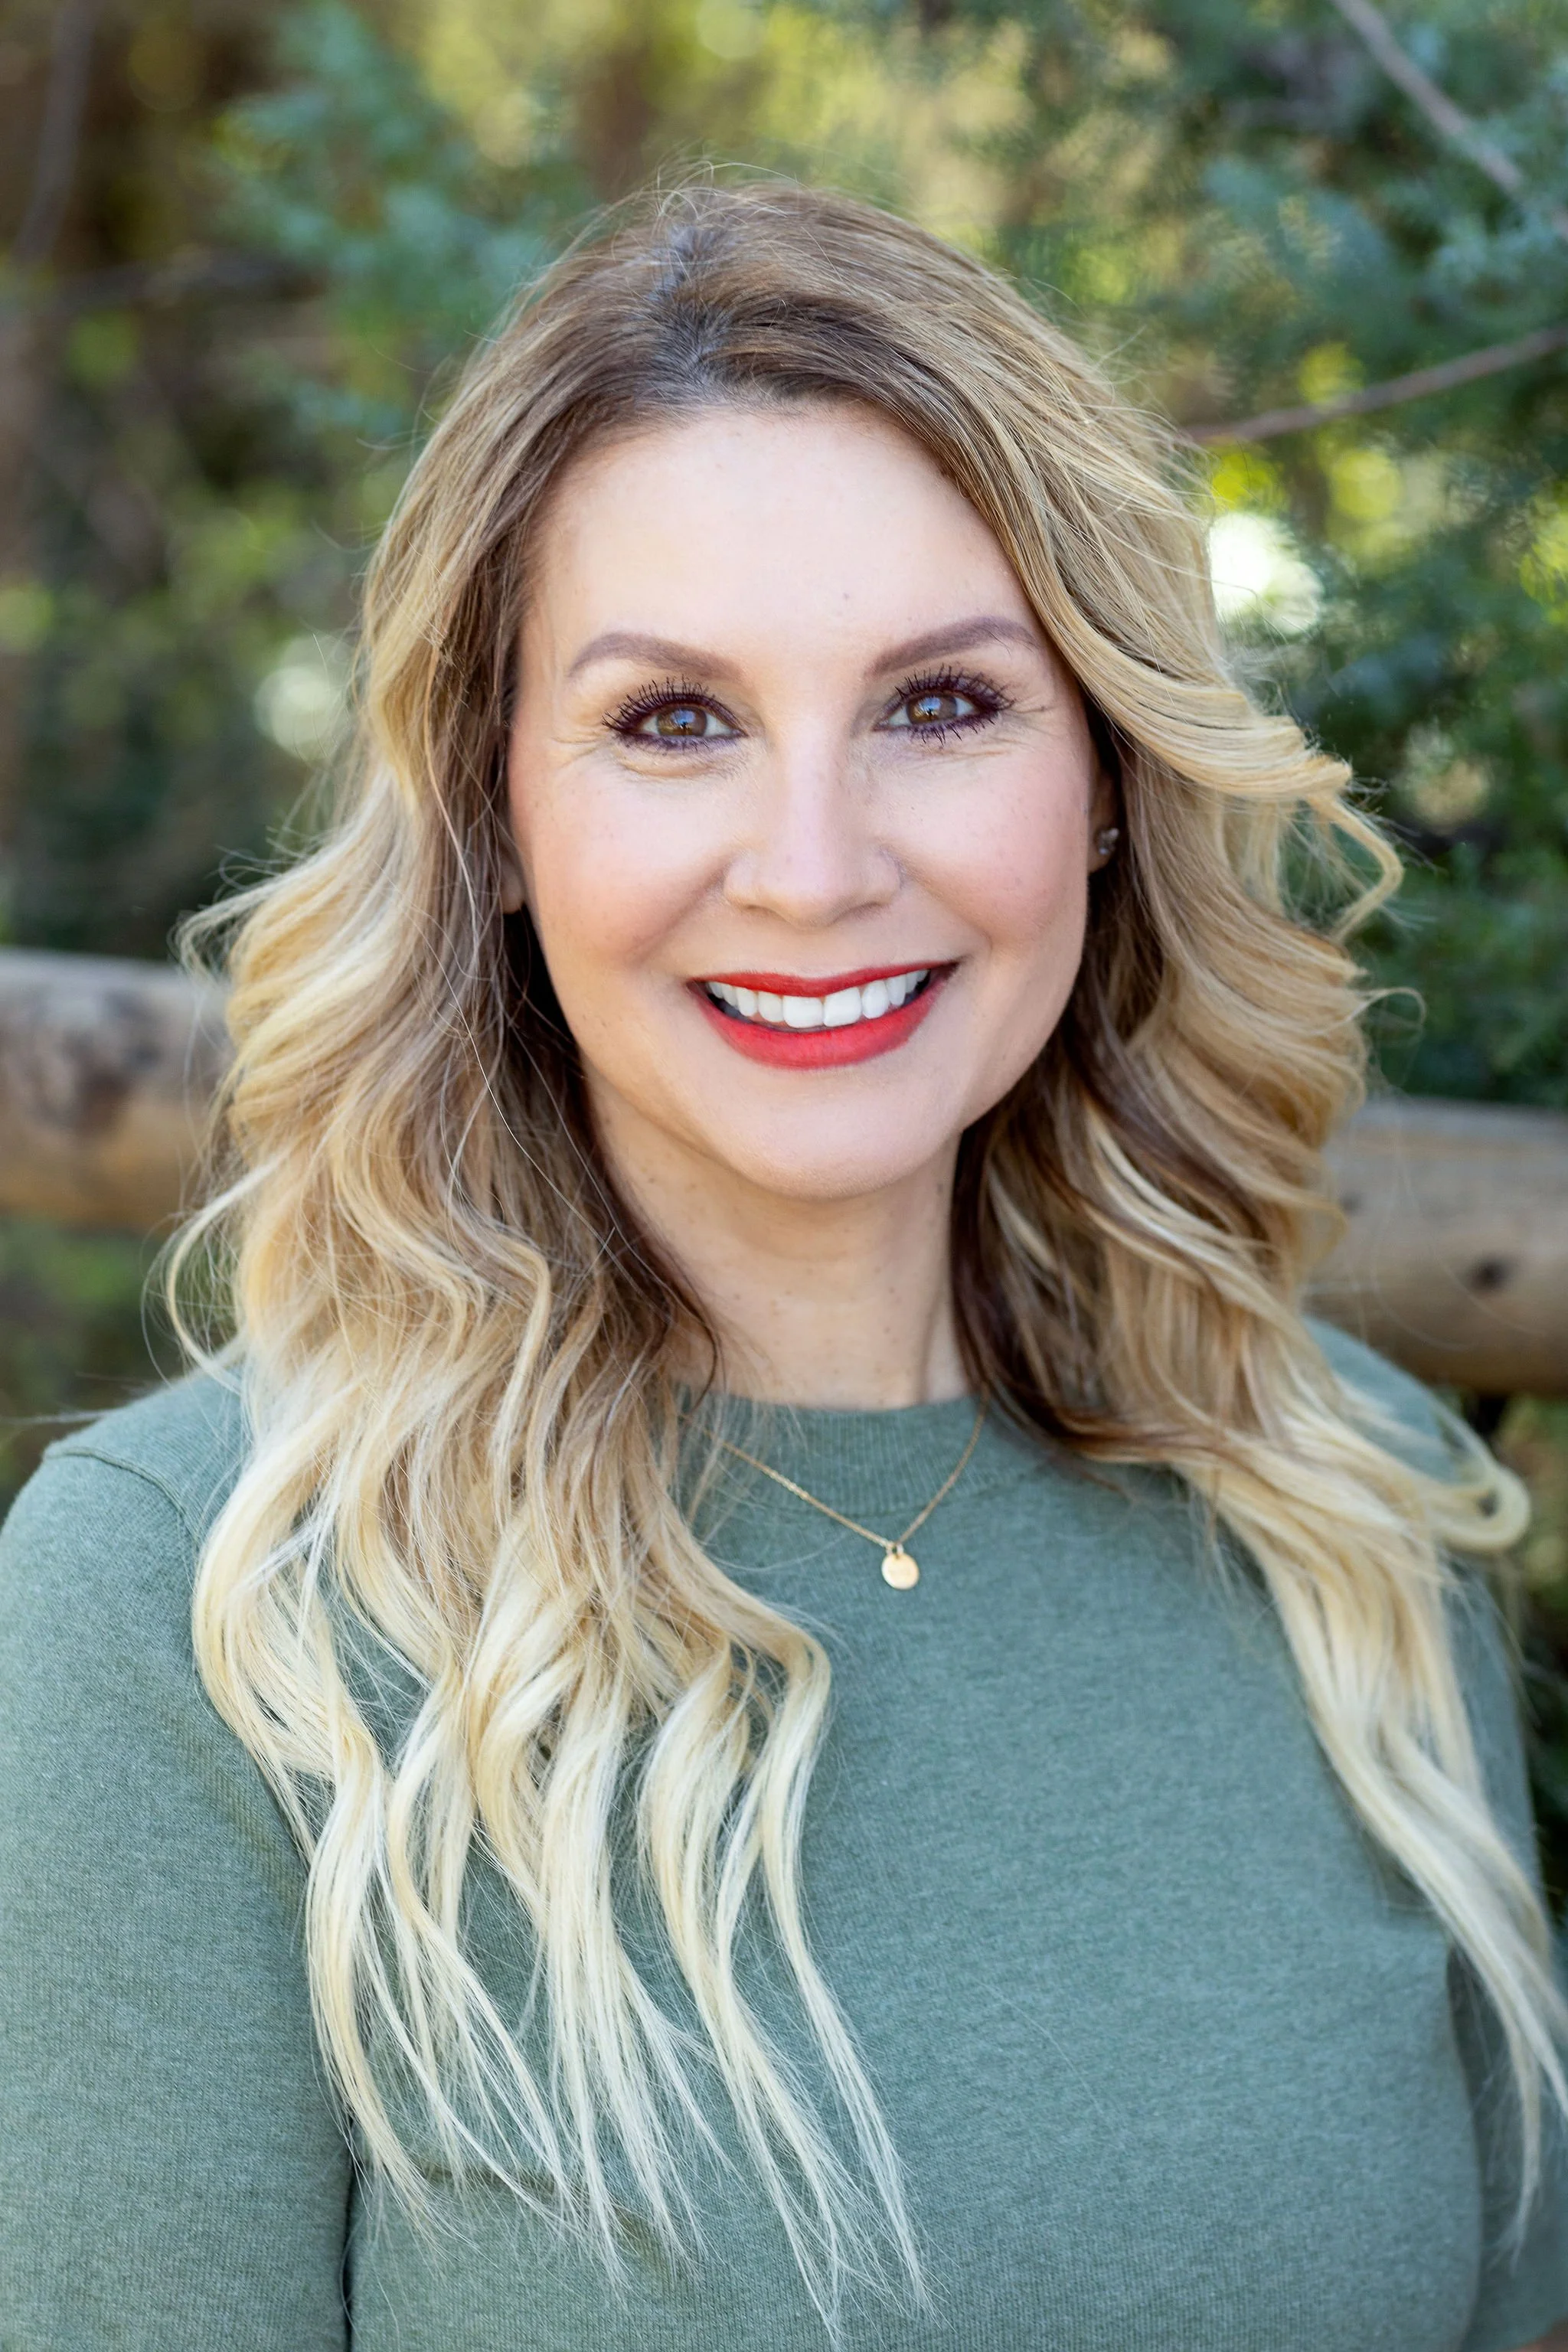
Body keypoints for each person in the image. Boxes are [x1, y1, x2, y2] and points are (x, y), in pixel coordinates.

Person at [0, 178, 1564, 2352]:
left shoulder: (1351, 1516)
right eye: (673, 720)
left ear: (1108, 778)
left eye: (941, 705)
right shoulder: (187, 1619)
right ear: (498, 820)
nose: (817, 870)